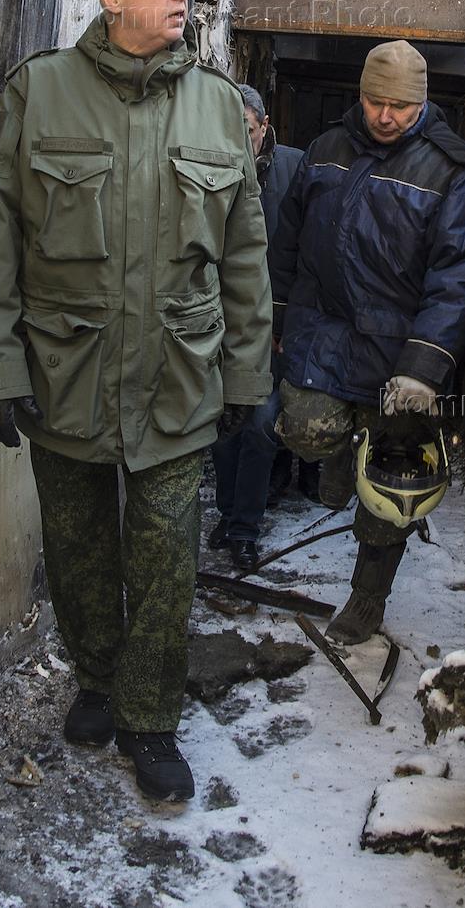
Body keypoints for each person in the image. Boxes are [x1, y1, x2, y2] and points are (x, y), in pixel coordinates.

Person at [0, 0, 272, 802]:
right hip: (67, 373)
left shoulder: (215, 105)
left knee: (168, 551)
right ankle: (97, 674)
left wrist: (246, 374)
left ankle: (150, 718)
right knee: (80, 547)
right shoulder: (39, 94)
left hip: (178, 374)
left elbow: (245, 255)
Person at [269, 40, 465, 645]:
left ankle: (367, 597)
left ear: (422, 104)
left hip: (400, 348)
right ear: (359, 97)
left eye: (399, 106)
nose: (385, 117)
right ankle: (341, 454)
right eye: (374, 102)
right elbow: (287, 242)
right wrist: (281, 318)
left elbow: (458, 277)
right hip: (326, 331)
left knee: (391, 484)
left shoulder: (451, 170)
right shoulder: (326, 150)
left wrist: (425, 366)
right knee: (305, 430)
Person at [207, 84, 304, 570]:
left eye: (244, 130)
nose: (237, 141)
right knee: (224, 425)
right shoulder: (212, 170)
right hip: (221, 324)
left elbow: (313, 253)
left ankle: (245, 526)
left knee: (262, 424)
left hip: (275, 326)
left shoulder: (297, 170)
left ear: (264, 128)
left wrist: (292, 320)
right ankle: (228, 515)